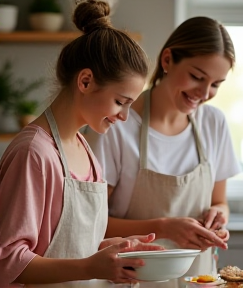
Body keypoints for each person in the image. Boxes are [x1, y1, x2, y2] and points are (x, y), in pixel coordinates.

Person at [0, 1, 165, 287]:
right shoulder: (34, 154)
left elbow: (65, 247)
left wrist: (112, 249)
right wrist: (90, 265)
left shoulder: (85, 149)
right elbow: (8, 261)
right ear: (86, 81)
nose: (124, 117)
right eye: (120, 102)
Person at [85, 15, 241, 288]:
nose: (204, 93)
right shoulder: (116, 125)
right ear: (167, 60)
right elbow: (91, 225)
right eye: (197, 77)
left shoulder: (214, 123)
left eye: (216, 84)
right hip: (132, 280)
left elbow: (220, 201)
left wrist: (219, 216)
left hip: (201, 279)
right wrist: (165, 228)